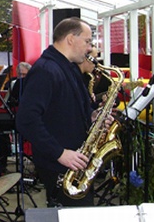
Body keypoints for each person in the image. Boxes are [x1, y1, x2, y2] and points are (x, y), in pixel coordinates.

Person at [15, 17, 95, 207]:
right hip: (60, 164)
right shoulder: (45, 70)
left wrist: (92, 117)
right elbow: (26, 120)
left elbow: (67, 107)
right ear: (70, 39)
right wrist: (59, 152)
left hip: (73, 161)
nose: (90, 48)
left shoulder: (68, 67)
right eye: (87, 41)